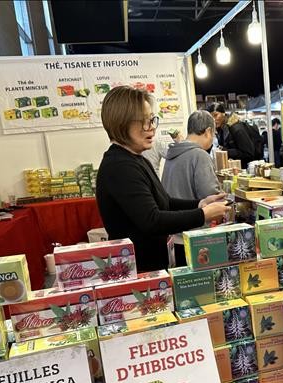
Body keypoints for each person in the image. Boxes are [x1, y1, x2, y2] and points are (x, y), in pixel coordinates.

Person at [96, 86, 229, 271]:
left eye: (151, 119)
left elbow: (164, 201)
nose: (151, 127)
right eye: (143, 121)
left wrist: (200, 203)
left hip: (153, 265)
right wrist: (203, 215)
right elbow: (152, 220)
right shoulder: (120, 167)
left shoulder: (136, 159)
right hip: (138, 272)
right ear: (122, 123)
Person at [162, 110, 221, 267]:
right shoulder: (199, 155)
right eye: (214, 134)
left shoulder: (172, 154)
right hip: (194, 236)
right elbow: (209, 193)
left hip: (173, 234)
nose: (213, 138)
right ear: (208, 131)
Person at [207, 103, 256, 168]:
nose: (213, 119)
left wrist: (225, 151)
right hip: (234, 169)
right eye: (211, 117)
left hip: (246, 169)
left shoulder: (237, 128)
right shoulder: (221, 130)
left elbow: (248, 153)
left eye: (215, 115)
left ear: (223, 114)